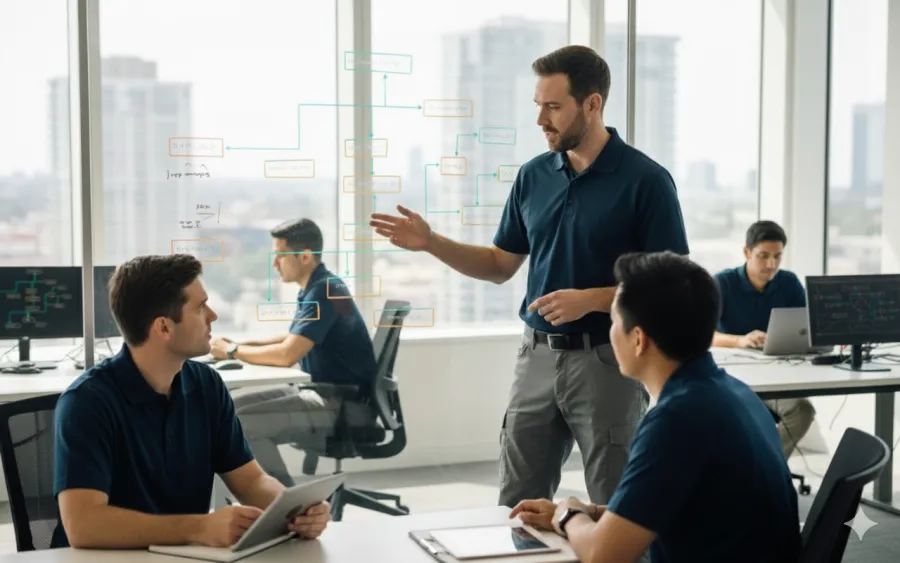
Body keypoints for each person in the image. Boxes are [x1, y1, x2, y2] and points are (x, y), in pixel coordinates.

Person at [369, 45, 689, 508]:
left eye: (554, 107)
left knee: (615, 505)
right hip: (534, 356)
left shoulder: (646, 181)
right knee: (516, 503)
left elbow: (673, 282)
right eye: (538, 106)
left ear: (593, 104)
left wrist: (594, 299)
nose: (541, 119)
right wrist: (432, 241)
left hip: (608, 362)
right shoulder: (534, 175)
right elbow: (501, 265)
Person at [510, 252, 801, 563]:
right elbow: (672, 504)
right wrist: (588, 511)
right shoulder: (731, 393)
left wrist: (567, 514)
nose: (610, 332)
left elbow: (602, 555)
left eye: (614, 321)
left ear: (638, 340)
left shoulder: (676, 421)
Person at [52, 254, 331, 549]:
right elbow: (84, 526)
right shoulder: (86, 403)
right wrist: (199, 527)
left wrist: (296, 511)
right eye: (200, 308)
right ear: (163, 328)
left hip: (184, 556)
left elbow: (251, 481)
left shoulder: (206, 385)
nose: (213, 316)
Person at [209, 218, 377, 486]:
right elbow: (293, 338)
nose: (274, 264)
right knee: (229, 411)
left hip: (341, 404)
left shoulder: (324, 291)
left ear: (305, 256)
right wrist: (242, 345)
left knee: (242, 424)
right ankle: (262, 500)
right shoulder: (318, 287)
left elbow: (288, 355)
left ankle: (284, 506)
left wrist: (232, 351)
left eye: (280, 256)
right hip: (326, 393)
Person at [712, 220, 816, 458]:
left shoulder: (788, 283)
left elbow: (808, 327)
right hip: (734, 378)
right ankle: (763, 469)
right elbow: (701, 336)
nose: (772, 264)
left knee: (802, 410)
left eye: (778, 257)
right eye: (763, 256)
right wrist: (740, 340)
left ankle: (768, 465)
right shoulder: (722, 283)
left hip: (778, 376)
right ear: (747, 252)